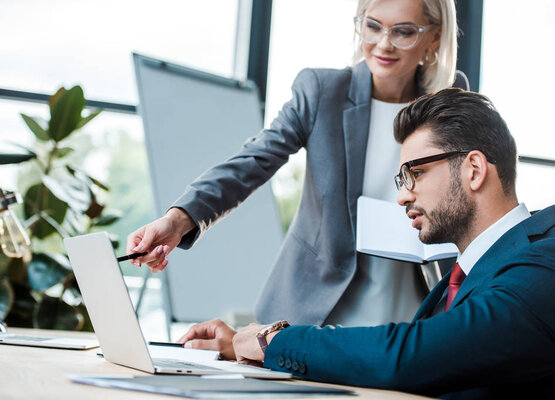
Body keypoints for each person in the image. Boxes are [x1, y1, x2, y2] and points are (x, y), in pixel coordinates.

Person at [178, 89, 555, 399]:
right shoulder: (459, 282)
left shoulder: (553, 264)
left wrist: (274, 340)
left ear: (473, 169)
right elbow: (395, 352)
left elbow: (411, 357)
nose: (402, 194)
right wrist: (240, 346)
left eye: (414, 173)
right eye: (401, 179)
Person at [127, 0, 467, 326]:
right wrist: (178, 219)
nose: (383, 44)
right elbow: (252, 162)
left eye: (404, 32)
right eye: (373, 26)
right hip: (318, 305)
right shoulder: (324, 91)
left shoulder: (451, 107)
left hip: (411, 302)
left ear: (435, 37)